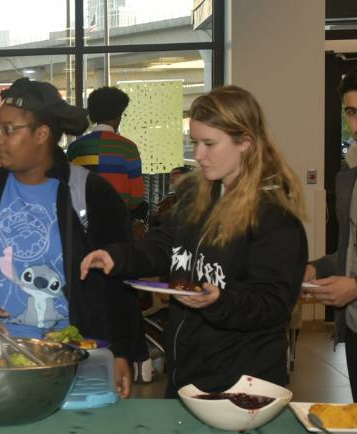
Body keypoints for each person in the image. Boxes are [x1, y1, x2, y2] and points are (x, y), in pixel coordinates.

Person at [82, 85, 308, 395]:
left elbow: (272, 304)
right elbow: (163, 246)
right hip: (187, 373)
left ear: (245, 142)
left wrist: (219, 301)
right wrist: (118, 257)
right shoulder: (195, 197)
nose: (198, 155)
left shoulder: (274, 218)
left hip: (243, 383)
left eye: (209, 144)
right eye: (195, 143)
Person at [0, 78, 141, 397]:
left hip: (71, 358)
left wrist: (121, 351)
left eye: (10, 130)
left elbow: (119, 281)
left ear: (42, 134)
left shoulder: (92, 195)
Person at [304, 71, 357, 401]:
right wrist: (315, 270)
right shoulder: (349, 176)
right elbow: (348, 252)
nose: (356, 125)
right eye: (352, 112)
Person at [66, 86, 148, 221]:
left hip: (84, 224)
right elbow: (137, 197)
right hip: (118, 223)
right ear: (118, 116)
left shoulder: (75, 148)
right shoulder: (128, 148)